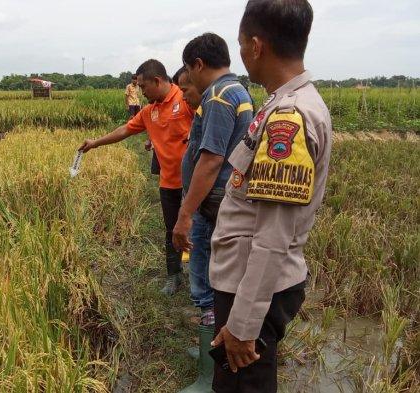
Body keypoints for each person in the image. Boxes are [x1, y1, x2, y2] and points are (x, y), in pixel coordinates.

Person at [208, 1, 332, 392]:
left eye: (242, 44)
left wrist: (243, 326)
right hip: (252, 282)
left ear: (257, 46)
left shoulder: (289, 117)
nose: (241, 53)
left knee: (244, 386)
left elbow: (273, 235)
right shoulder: (283, 101)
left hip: (253, 286)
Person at [172, 33, 254, 393]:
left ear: (198, 65)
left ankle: (210, 375)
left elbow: (211, 159)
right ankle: (210, 354)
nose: (188, 79)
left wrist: (185, 214)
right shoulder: (237, 91)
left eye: (189, 70)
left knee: (209, 284)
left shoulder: (219, 96)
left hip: (213, 203)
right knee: (214, 282)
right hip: (222, 201)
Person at [80, 59, 194, 295]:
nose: (141, 92)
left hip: (195, 183)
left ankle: (204, 277)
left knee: (200, 229)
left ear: (157, 80)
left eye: (143, 87)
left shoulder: (185, 99)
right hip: (169, 181)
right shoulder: (149, 111)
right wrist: (95, 143)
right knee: (171, 229)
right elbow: (124, 130)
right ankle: (174, 275)